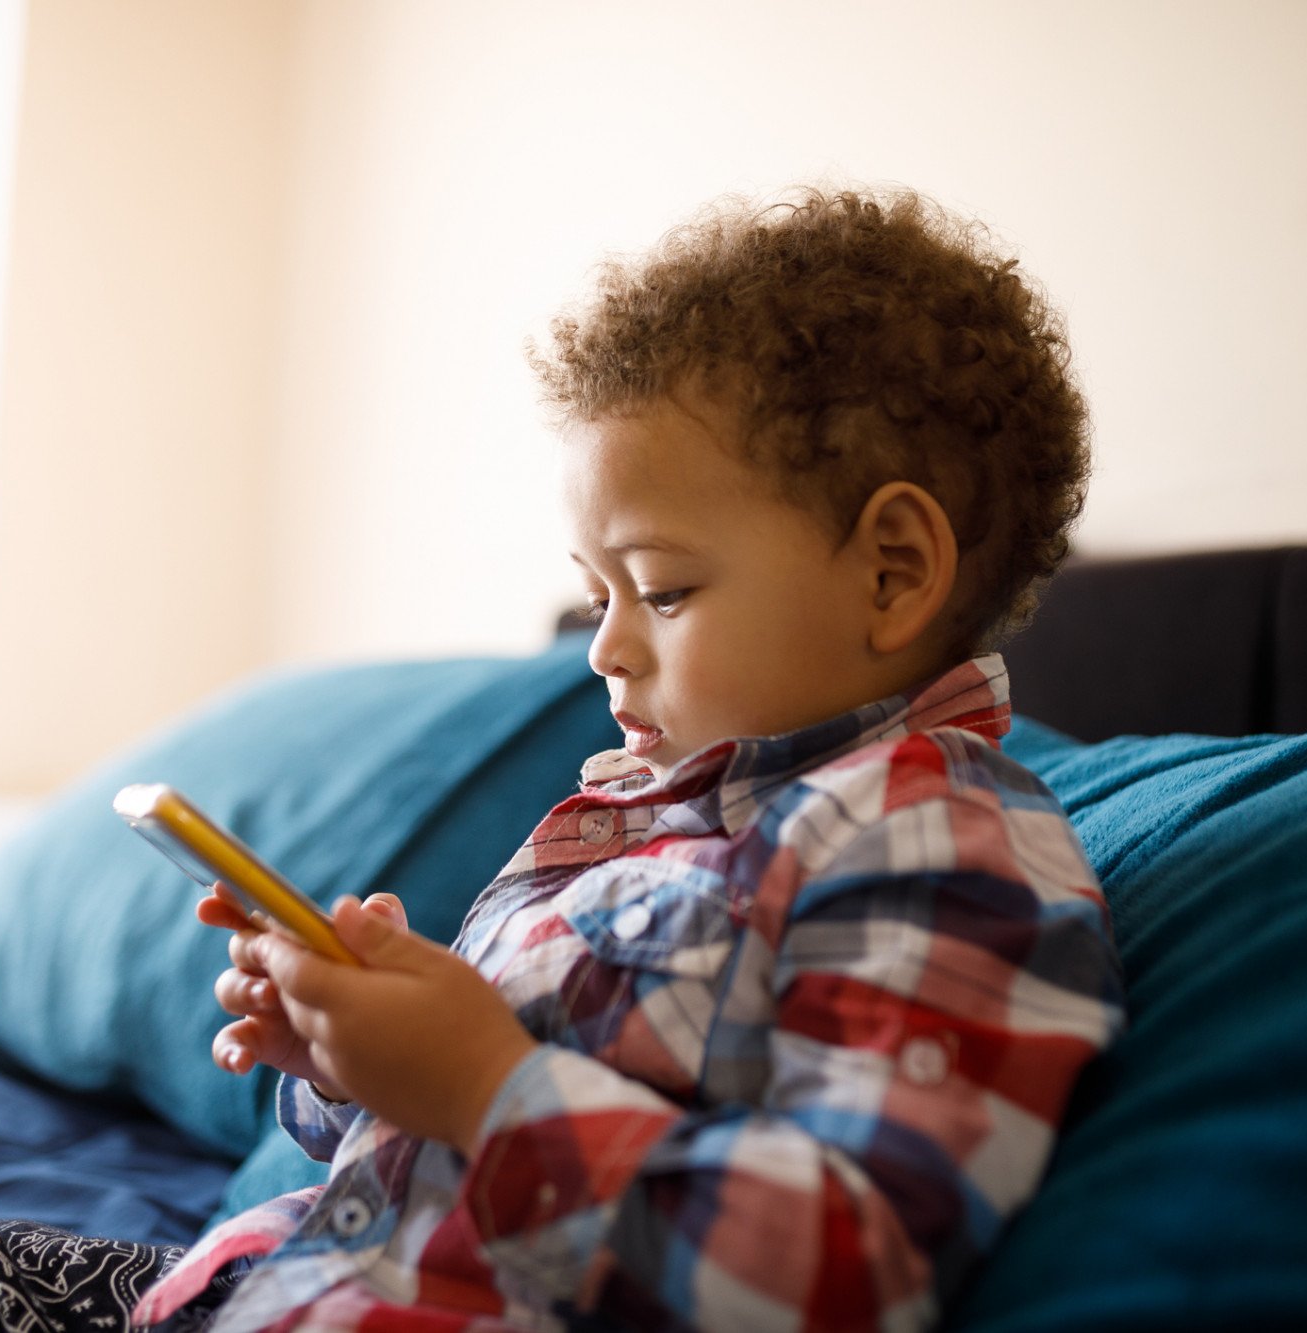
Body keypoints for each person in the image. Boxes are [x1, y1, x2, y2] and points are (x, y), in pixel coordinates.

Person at [134, 186, 1126, 1332]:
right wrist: (352, 1057)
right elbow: (424, 1149)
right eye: (596, 590)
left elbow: (838, 1269)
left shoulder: (927, 838)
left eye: (660, 588)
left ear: (893, 572)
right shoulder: (638, 818)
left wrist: (478, 1084)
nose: (603, 647)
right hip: (260, 1281)